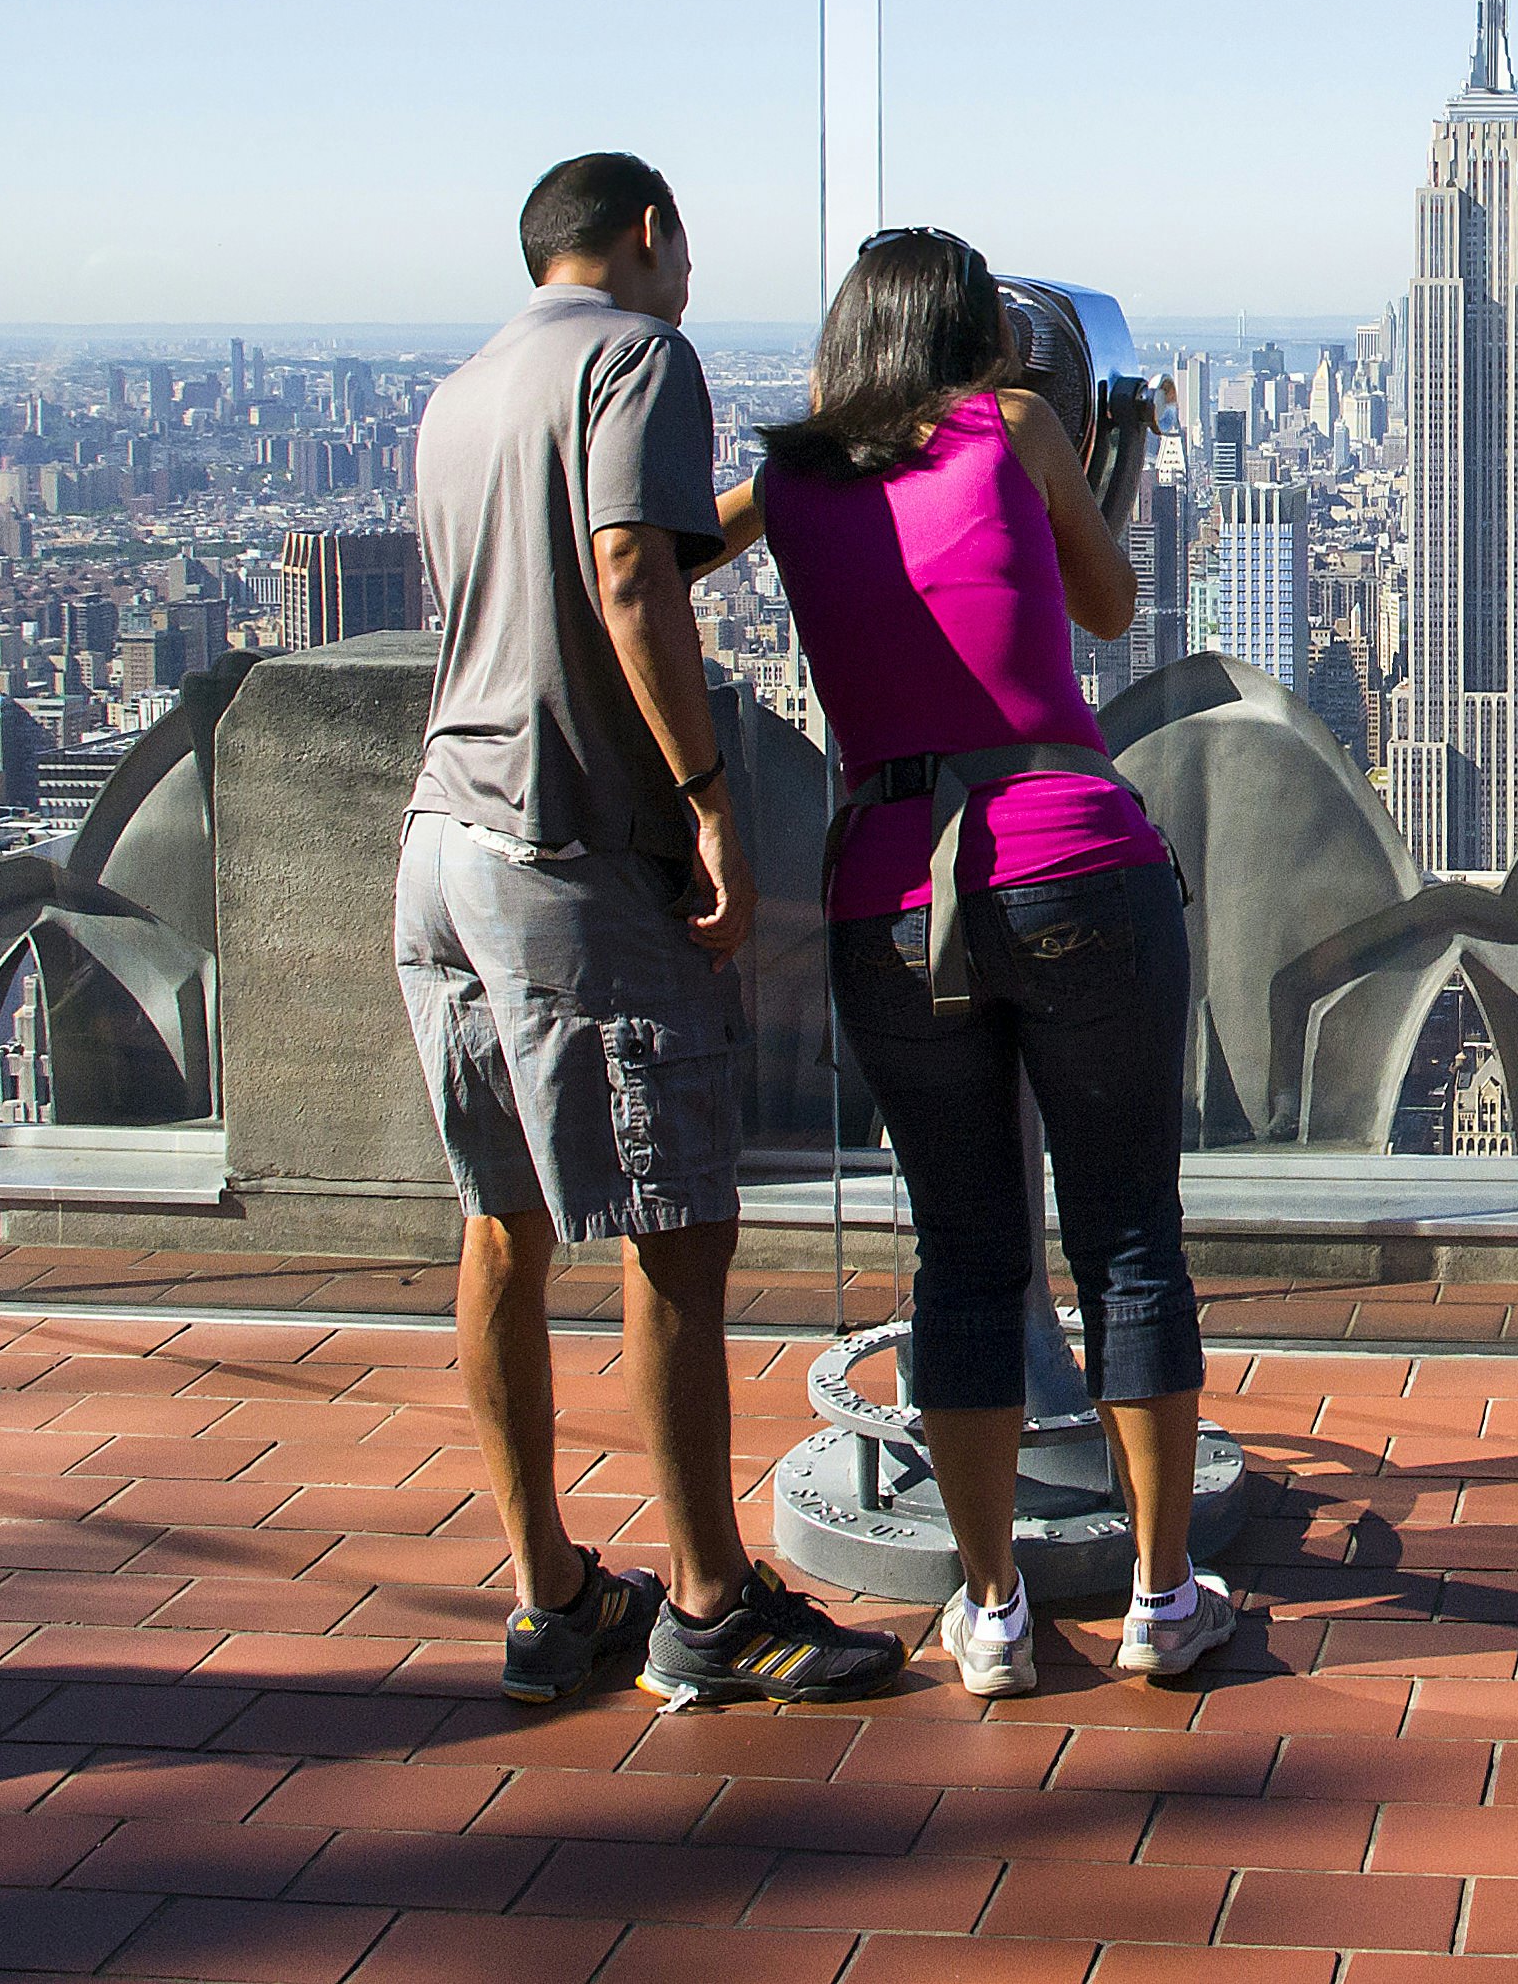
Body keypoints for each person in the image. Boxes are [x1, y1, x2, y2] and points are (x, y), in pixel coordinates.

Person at [399, 151, 906, 1712]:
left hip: (443, 839)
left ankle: (556, 1598)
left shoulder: (467, 389)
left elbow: (626, 546)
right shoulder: (641, 354)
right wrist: (703, 795)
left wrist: (785, 481)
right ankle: (707, 1605)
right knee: (677, 1222)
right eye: (684, 253)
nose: (693, 282)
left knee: (506, 1226)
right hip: (571, 853)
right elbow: (627, 576)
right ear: (646, 235)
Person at [736, 226, 1240, 1693]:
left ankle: (994, 1610)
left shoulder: (788, 478)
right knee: (1128, 1234)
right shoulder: (1016, 426)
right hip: (1071, 852)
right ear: (976, 337)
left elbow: (663, 548)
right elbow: (1107, 606)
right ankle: (1160, 1598)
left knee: (960, 1253)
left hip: (889, 889)